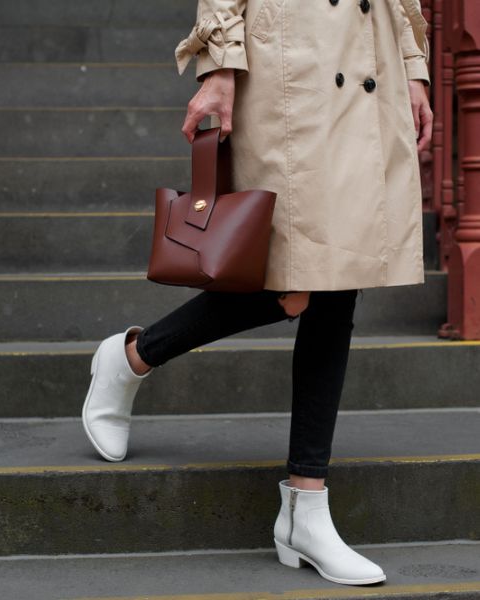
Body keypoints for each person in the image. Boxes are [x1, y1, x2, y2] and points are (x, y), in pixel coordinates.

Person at [82, 0, 433, 587]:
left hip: (370, 54)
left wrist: (413, 64)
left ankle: (305, 504)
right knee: (296, 284)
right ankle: (132, 357)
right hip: (290, 60)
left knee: (334, 282)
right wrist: (219, 67)